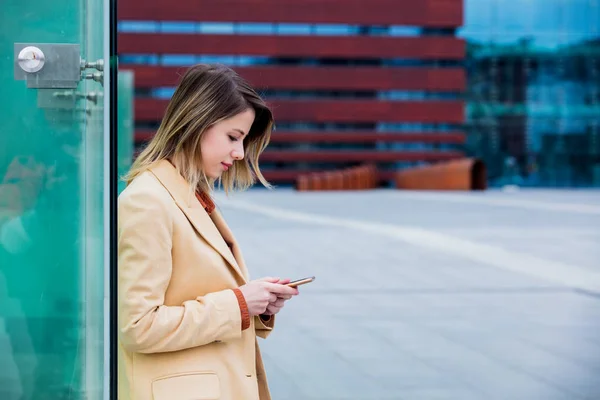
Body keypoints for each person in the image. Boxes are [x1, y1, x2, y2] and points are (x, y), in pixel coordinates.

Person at [118, 64, 299, 400]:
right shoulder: (148, 200)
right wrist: (240, 303)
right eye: (233, 137)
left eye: (242, 141)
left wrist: (255, 304)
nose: (240, 153)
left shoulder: (188, 195)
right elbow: (137, 327)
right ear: (196, 123)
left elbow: (192, 294)